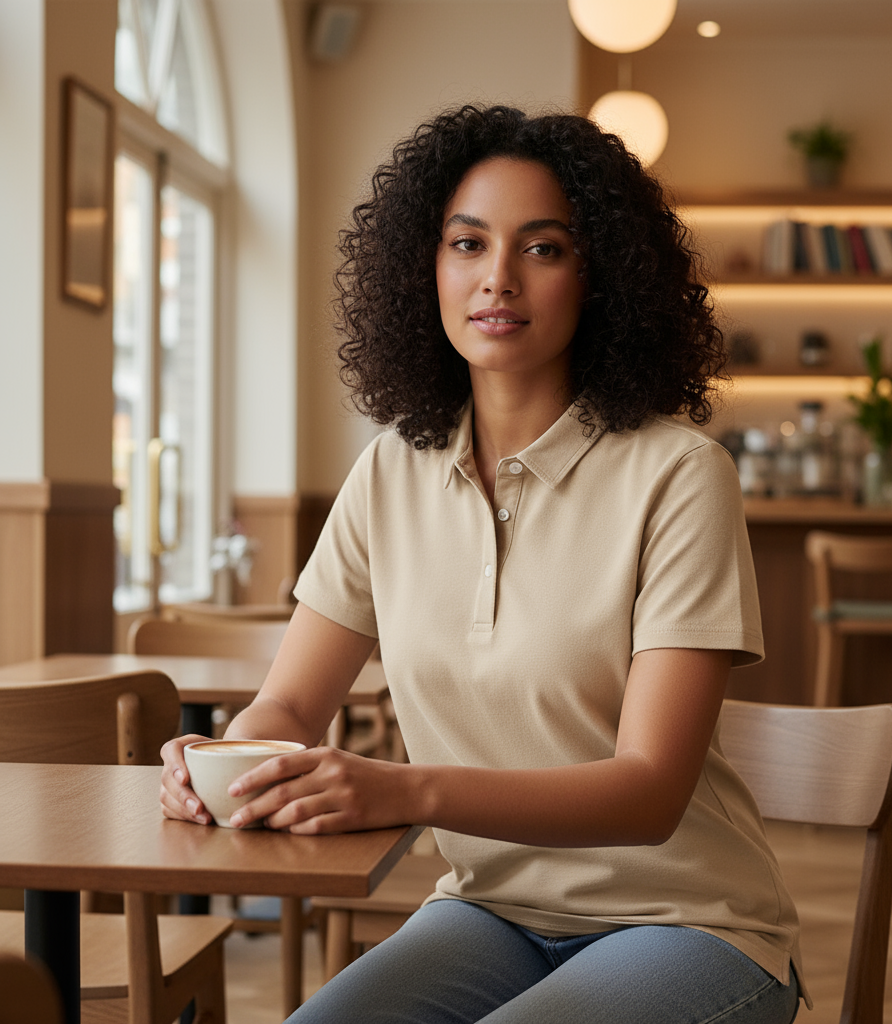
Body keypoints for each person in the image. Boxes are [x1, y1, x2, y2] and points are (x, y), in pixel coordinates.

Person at [160, 104, 806, 1024]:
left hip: (687, 922)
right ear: (424, 267)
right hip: (488, 911)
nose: (496, 278)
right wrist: (224, 764)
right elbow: (293, 706)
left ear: (601, 276)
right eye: (467, 244)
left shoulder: (680, 475)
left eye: (542, 248)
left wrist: (404, 790)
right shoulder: (389, 472)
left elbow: (650, 791)